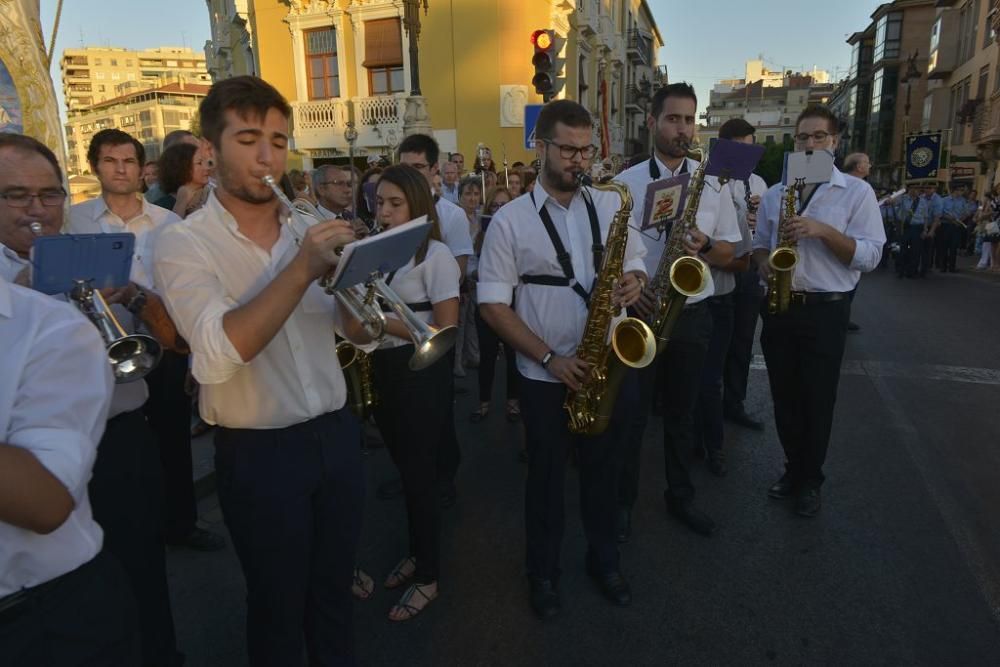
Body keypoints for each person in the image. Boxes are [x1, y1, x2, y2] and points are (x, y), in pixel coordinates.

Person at [154, 75, 372, 665]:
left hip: (334, 432)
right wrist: (302, 269)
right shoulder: (182, 244)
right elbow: (218, 354)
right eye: (249, 139)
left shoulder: (305, 227)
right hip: (258, 452)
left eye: (278, 140)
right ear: (211, 151)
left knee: (333, 596)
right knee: (276, 605)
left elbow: (352, 332)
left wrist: (360, 292)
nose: (268, 155)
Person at [479, 99, 647, 619]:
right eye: (569, 150)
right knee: (546, 481)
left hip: (604, 366)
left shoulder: (609, 204)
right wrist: (550, 358)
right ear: (542, 146)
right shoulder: (508, 221)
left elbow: (637, 265)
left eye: (586, 150)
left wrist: (633, 280)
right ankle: (543, 573)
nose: (579, 161)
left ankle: (604, 560)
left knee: (604, 473)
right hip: (544, 374)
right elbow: (490, 304)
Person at [0, 132, 141, 664]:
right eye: (16, 196)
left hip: (119, 427)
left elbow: (46, 501)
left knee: (138, 557)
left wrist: (131, 297)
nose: (36, 210)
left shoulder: (59, 303)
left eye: (49, 195)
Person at [615, 83, 741, 539]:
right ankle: (622, 504)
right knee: (630, 417)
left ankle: (680, 496)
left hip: (692, 312)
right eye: (672, 119)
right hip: (642, 314)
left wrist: (705, 245)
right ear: (652, 122)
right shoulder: (624, 186)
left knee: (682, 417)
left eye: (689, 120)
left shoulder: (712, 183)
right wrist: (634, 285)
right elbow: (610, 253)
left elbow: (730, 253)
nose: (682, 129)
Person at [753, 104, 885, 517]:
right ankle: (793, 468)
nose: (810, 144)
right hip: (780, 305)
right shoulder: (778, 192)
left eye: (818, 137)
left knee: (817, 398)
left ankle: (812, 478)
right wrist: (763, 264)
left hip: (825, 309)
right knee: (784, 396)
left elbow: (870, 255)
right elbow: (759, 243)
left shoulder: (857, 192)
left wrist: (823, 230)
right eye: (803, 138)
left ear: (835, 142)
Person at [369, 164, 460, 621]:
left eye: (394, 203)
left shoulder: (436, 255)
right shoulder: (376, 251)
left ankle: (428, 575)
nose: (383, 212)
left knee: (420, 476)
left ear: (416, 205)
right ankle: (415, 552)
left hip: (422, 370)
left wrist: (379, 322)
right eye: (379, 202)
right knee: (406, 471)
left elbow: (445, 325)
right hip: (382, 365)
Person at [397, 134, 473, 507]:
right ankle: (413, 473)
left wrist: (426, 290)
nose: (408, 175)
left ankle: (444, 474)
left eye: (416, 168)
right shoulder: (392, 209)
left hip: (431, 319)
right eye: (402, 167)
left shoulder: (452, 214)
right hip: (402, 333)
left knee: (438, 410)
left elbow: (457, 269)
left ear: (431, 170)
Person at [721, 119, 768, 431]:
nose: (745, 154)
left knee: (742, 343)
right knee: (714, 343)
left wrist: (758, 215)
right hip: (720, 268)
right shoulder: (714, 181)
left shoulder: (760, 184)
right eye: (738, 147)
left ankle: (734, 404)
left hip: (749, 269)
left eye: (749, 147)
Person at [470, 185, 520, 423]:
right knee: (487, 355)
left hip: (512, 301)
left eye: (505, 205)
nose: (499, 210)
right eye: (495, 206)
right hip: (487, 302)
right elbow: (470, 265)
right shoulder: (478, 234)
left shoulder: (519, 233)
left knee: (513, 355)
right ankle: (483, 402)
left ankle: (512, 402)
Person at [154, 142, 213, 218]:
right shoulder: (160, 207)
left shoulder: (215, 196)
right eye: (199, 163)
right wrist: (181, 203)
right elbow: (171, 229)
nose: (207, 168)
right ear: (180, 167)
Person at [899, 182, 942, 279]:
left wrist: (925, 230)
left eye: (917, 189)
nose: (915, 191)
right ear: (909, 189)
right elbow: (893, 202)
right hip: (906, 226)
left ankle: (912, 271)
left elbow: (926, 217)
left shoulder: (922, 201)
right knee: (903, 250)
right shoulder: (903, 199)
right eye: (913, 188)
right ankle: (901, 269)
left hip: (918, 227)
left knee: (916, 251)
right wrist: (900, 191)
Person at [938, 183, 968, 273]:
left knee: (954, 247)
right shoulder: (944, 200)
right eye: (960, 190)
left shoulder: (963, 201)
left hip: (957, 226)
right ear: (954, 190)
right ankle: (942, 266)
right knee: (944, 246)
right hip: (946, 225)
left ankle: (952, 267)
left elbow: (966, 212)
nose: (961, 192)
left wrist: (960, 219)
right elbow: (940, 213)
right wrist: (949, 218)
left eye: (962, 190)